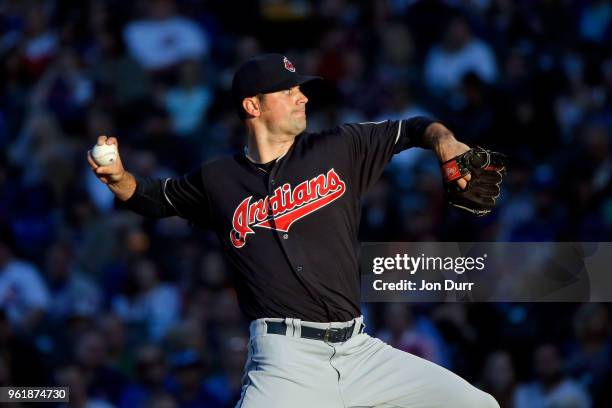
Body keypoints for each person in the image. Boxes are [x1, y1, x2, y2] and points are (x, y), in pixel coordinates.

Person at [88, 53, 501, 407]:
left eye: (299, 89)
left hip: (360, 350)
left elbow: (413, 128)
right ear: (253, 105)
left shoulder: (340, 147)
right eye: (287, 91)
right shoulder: (218, 179)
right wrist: (119, 177)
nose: (301, 96)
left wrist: (446, 143)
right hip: (285, 362)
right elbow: (154, 198)